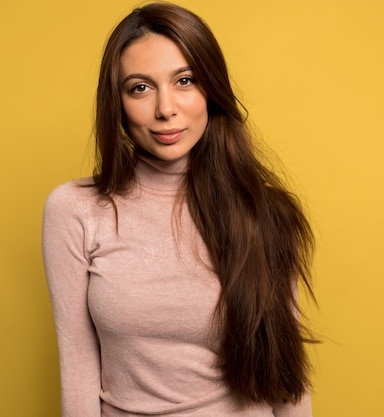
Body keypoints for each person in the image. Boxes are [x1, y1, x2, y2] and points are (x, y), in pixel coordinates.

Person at [42, 2, 316, 416]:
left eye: (184, 80)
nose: (165, 108)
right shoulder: (76, 210)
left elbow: (286, 379)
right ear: (116, 103)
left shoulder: (264, 212)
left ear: (211, 90)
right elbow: (77, 366)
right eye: (140, 87)